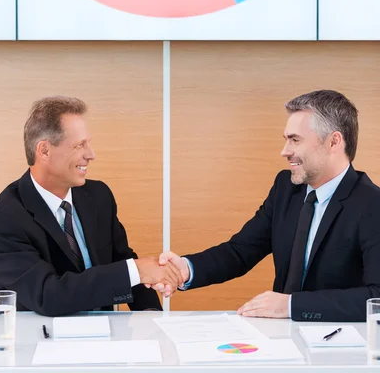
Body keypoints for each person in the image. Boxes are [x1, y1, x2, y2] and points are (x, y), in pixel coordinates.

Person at [158, 90, 380, 322]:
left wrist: (292, 306)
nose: (285, 151)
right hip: (284, 341)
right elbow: (240, 251)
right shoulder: (286, 188)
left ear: (333, 141)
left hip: (340, 347)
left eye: (295, 140)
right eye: (286, 140)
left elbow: (377, 297)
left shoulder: (372, 205)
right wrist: (187, 268)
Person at [0, 96, 182, 316]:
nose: (91, 154)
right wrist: (137, 270)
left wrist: (150, 313)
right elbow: (48, 295)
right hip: (41, 341)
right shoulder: (0, 220)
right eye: (79, 145)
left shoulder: (98, 196)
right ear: (44, 151)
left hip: (106, 336)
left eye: (89, 143)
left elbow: (122, 259)